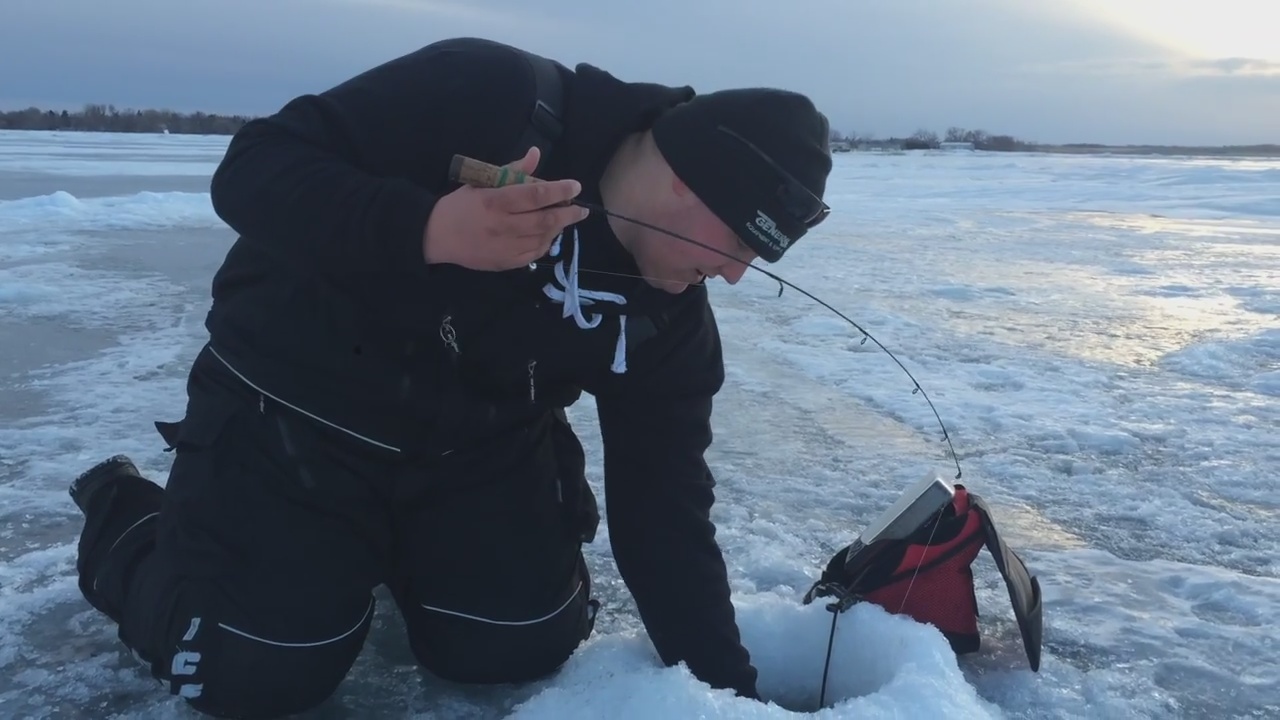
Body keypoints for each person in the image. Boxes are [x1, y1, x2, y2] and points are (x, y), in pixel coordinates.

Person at [69, 36, 833, 719]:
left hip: (475, 450)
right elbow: (253, 170)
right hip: (293, 414)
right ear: (686, 182)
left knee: (517, 647)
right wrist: (428, 229)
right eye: (740, 243)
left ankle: (398, 560)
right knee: (250, 675)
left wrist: (727, 699)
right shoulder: (493, 92)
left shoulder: (668, 319)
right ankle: (125, 516)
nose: (734, 277)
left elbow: (664, 509)